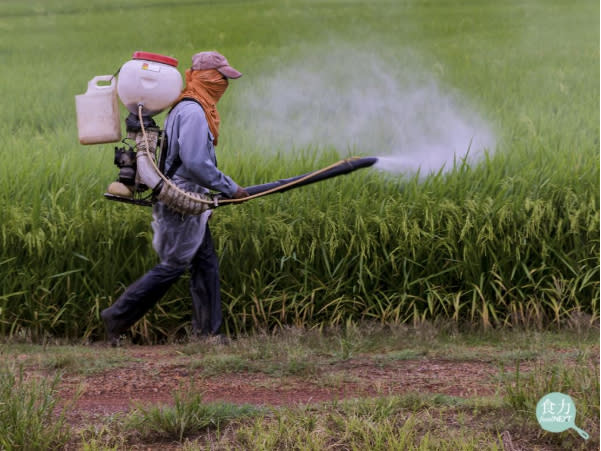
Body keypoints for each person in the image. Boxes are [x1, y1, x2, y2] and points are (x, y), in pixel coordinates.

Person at [101, 51, 249, 346]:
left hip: (189, 199)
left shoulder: (186, 107)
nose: (224, 84)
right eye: (221, 78)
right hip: (182, 201)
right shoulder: (193, 111)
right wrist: (230, 187)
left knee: (205, 263)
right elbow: (195, 162)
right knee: (173, 265)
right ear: (206, 77)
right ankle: (116, 317)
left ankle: (209, 333)